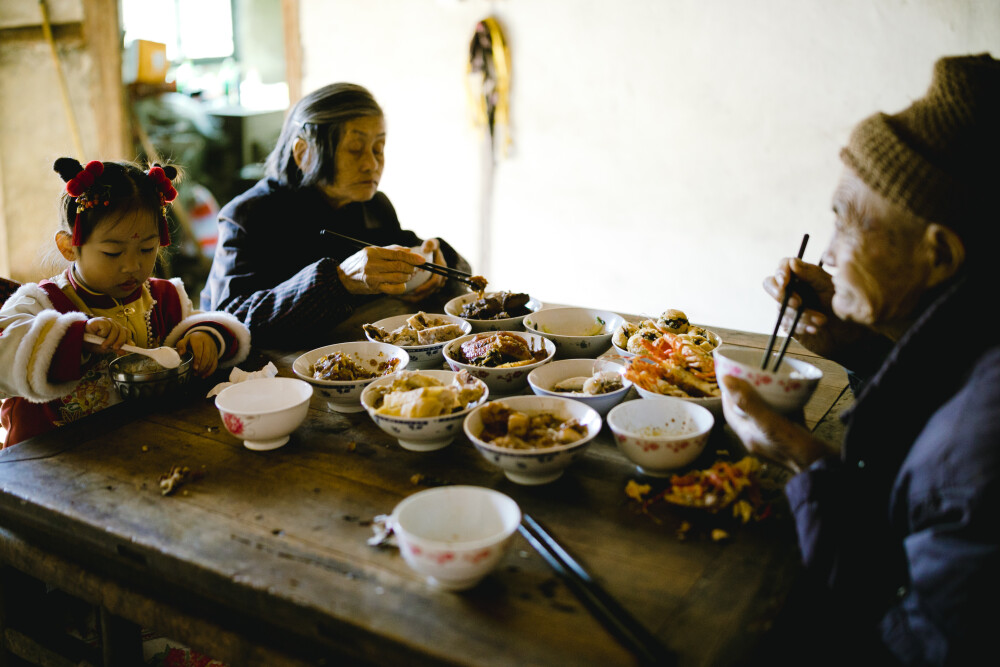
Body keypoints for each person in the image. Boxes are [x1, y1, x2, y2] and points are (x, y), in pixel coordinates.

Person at [721, 54, 1000, 665]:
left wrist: (806, 462)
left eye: (846, 224)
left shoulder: (976, 456)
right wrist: (867, 344)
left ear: (940, 255)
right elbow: (940, 379)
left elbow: (899, 643)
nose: (826, 252)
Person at [0, 159, 251, 448]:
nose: (132, 266)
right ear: (69, 246)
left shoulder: (163, 298)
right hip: (50, 464)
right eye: (112, 253)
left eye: (147, 249)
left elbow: (203, 324)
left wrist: (206, 336)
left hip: (137, 451)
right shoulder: (41, 302)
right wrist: (76, 338)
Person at [200, 83, 471, 347]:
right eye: (355, 149)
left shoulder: (373, 206)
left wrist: (439, 262)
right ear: (304, 153)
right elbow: (229, 320)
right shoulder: (248, 215)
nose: (371, 164)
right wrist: (340, 281)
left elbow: (428, 255)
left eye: (378, 148)